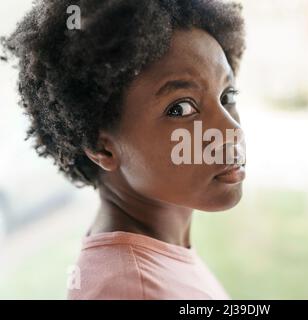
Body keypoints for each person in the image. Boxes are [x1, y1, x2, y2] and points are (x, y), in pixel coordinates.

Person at [1, 0, 246, 299]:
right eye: (181, 108)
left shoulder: (152, 256)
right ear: (101, 147)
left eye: (227, 95)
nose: (232, 131)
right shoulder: (132, 289)